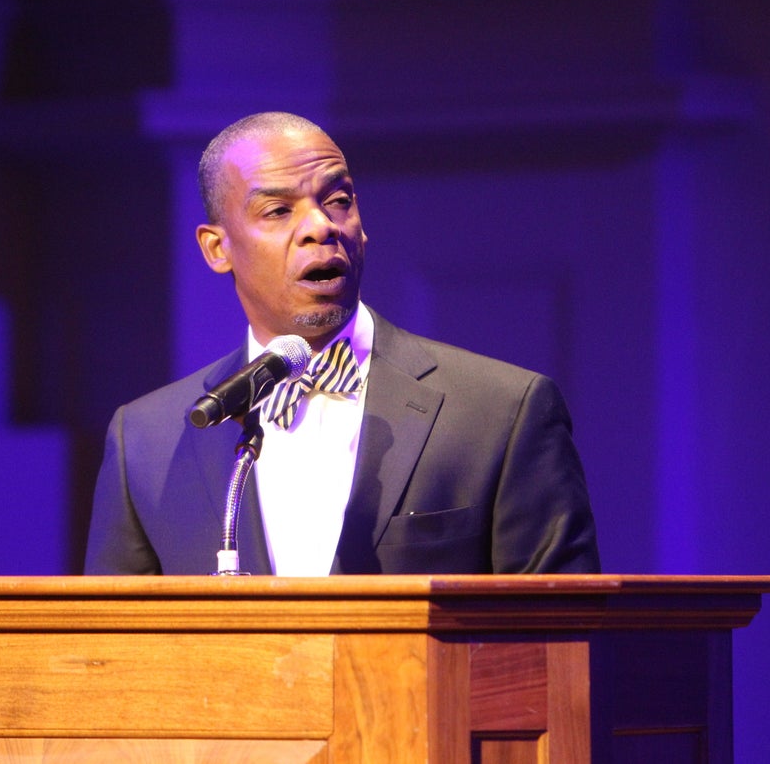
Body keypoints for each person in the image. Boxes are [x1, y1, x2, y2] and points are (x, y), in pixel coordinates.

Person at [84, 112, 599, 576]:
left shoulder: (501, 412)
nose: (320, 226)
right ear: (217, 248)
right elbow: (112, 656)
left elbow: (560, 644)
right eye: (278, 211)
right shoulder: (146, 442)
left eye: (338, 201)